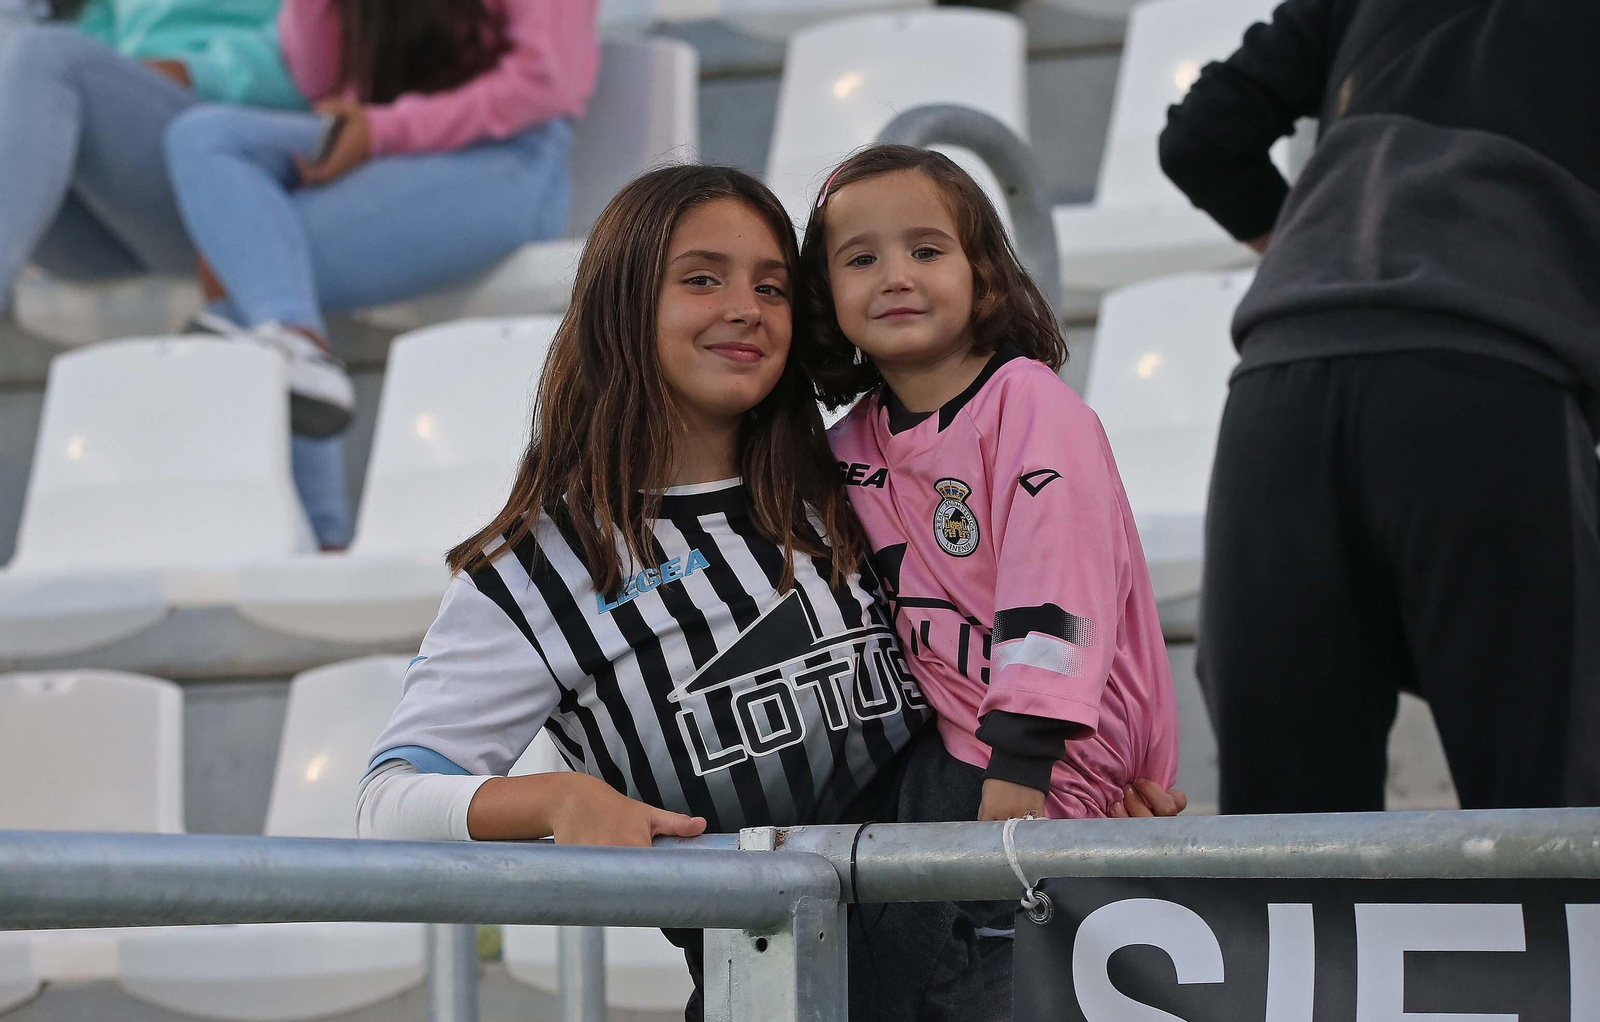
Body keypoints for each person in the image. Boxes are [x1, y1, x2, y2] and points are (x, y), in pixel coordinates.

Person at [356, 164, 1182, 1022]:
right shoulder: (537, 574)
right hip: (782, 993)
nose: (745, 307)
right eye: (702, 278)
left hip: (1017, 953)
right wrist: (558, 801)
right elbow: (389, 804)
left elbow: (1024, 612)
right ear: (622, 303)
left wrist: (1086, 778)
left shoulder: (853, 482)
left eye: (773, 285)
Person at [1159, 0, 1600, 813]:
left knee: (1288, 862)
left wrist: (1322, 247)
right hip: (1488, 373)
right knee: (1552, 830)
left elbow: (1200, 137)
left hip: (1281, 379)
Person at [803, 145, 1181, 826]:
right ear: (825, 298)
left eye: (926, 251)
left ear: (983, 274)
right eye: (861, 260)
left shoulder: (1031, 408)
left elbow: (1055, 584)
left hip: (1046, 769)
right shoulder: (846, 447)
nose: (894, 277)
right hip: (956, 762)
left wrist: (1020, 764)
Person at [162, 0, 597, 547]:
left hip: (501, 163)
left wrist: (383, 131)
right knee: (204, 137)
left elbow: (543, 84)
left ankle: (320, 538)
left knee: (253, 270)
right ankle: (297, 344)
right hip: (380, 152)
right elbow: (317, 75)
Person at [0, 0, 300, 321]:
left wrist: (197, 71)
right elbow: (95, 40)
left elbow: (325, 46)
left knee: (42, 51)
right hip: (119, 216)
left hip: (236, 169)